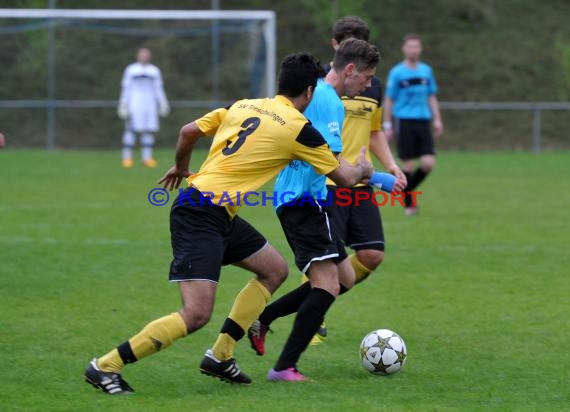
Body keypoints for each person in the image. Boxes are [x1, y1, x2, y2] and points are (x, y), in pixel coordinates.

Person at [84, 52, 373, 394]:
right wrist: (364, 171)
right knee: (196, 313)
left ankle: (221, 355)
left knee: (274, 270)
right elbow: (343, 177)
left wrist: (180, 166)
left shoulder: (243, 105)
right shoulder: (299, 129)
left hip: (216, 210)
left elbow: (188, 130)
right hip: (200, 214)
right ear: (309, 92)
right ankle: (105, 366)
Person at [248, 38, 381, 382]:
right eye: (367, 77)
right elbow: (336, 170)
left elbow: (325, 158)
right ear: (349, 69)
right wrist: (368, 172)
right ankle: (284, 367)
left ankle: (264, 317)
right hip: (303, 201)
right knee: (327, 286)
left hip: (308, 199)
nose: (369, 84)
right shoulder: (327, 102)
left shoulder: (316, 93)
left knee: (345, 278)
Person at [310, 16, 407, 344]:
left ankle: (319, 300)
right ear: (335, 46)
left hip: (362, 181)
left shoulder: (371, 85)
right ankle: (314, 313)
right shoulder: (320, 83)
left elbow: (375, 130)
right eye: (345, 40)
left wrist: (391, 165)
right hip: (330, 180)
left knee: (372, 254)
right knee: (325, 261)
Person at [383, 34, 443, 215]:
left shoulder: (426, 71)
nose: (413, 50)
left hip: (423, 121)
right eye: (410, 46)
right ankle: (410, 205)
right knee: (407, 165)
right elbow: (390, 99)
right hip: (404, 120)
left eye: (416, 46)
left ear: (421, 49)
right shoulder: (397, 72)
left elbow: (431, 96)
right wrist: (387, 124)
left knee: (428, 163)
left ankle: (405, 191)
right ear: (404, 49)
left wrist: (438, 118)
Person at [118, 47, 170, 169]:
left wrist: (163, 103)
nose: (144, 57)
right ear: (138, 55)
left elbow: (158, 88)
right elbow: (126, 88)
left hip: (150, 105)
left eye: (146, 55)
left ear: (149, 56)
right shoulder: (131, 70)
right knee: (130, 130)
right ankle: (127, 158)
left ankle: (147, 158)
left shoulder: (154, 70)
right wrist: (123, 104)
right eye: (142, 54)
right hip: (134, 104)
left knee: (148, 130)